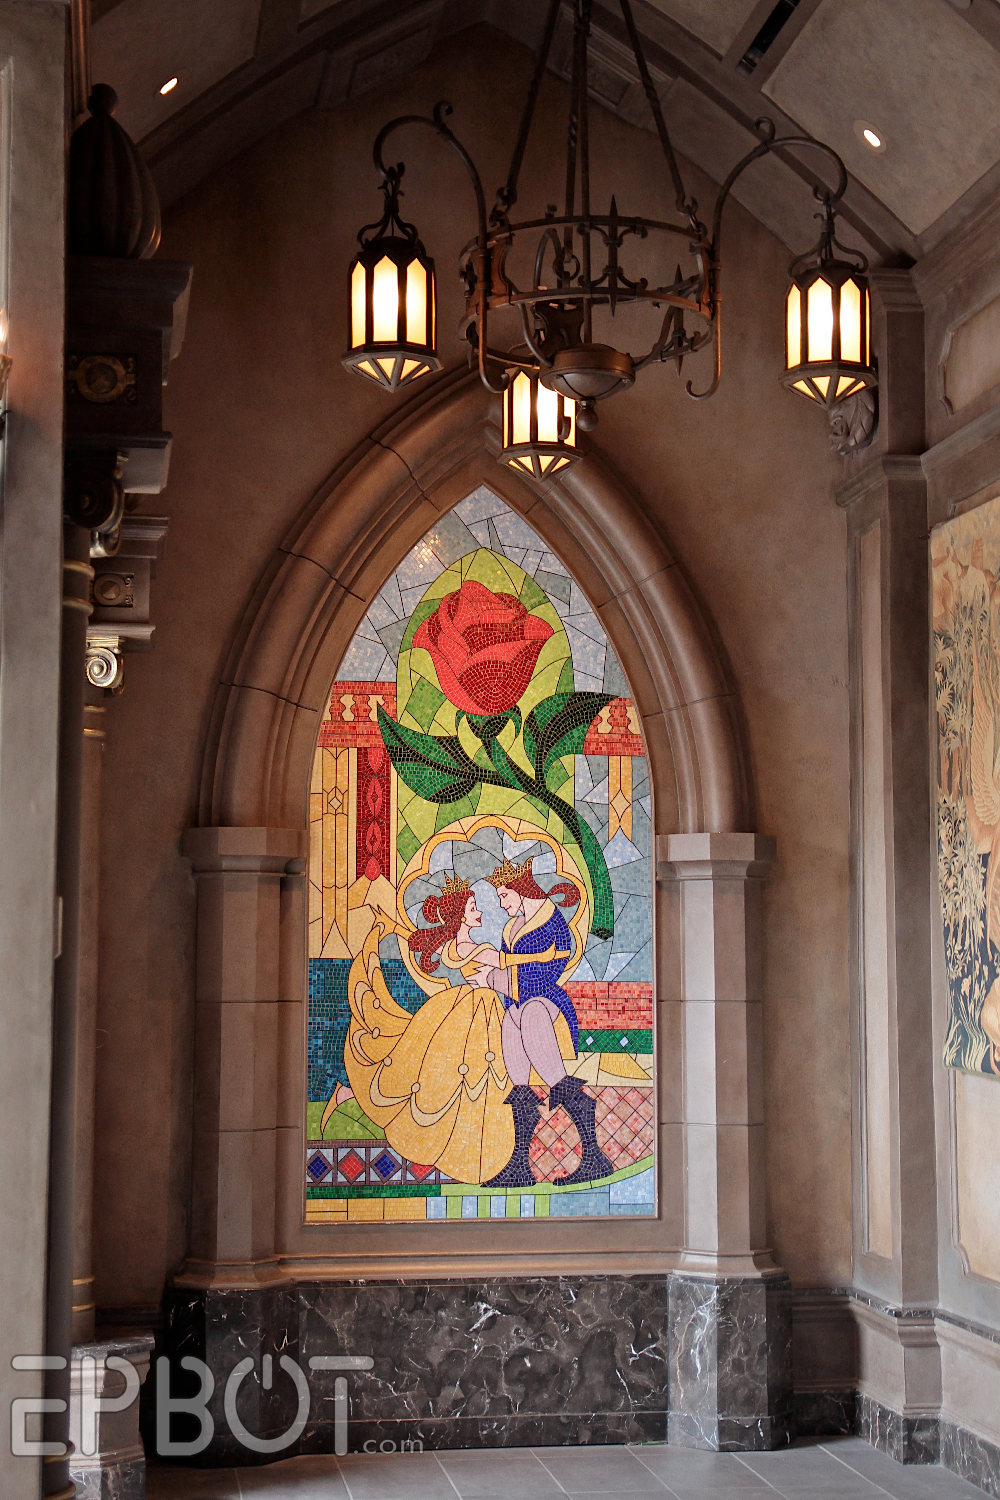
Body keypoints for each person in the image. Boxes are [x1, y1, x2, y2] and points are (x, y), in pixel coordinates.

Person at [471, 856, 614, 1189]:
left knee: (533, 1017)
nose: (502, 904)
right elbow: (511, 969)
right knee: (516, 1052)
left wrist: (493, 978)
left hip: (546, 1003)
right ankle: (519, 1167)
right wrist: (496, 976)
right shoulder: (511, 928)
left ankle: (594, 1157)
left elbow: (546, 975)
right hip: (515, 1004)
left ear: (521, 890)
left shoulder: (552, 922)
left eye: (504, 896)